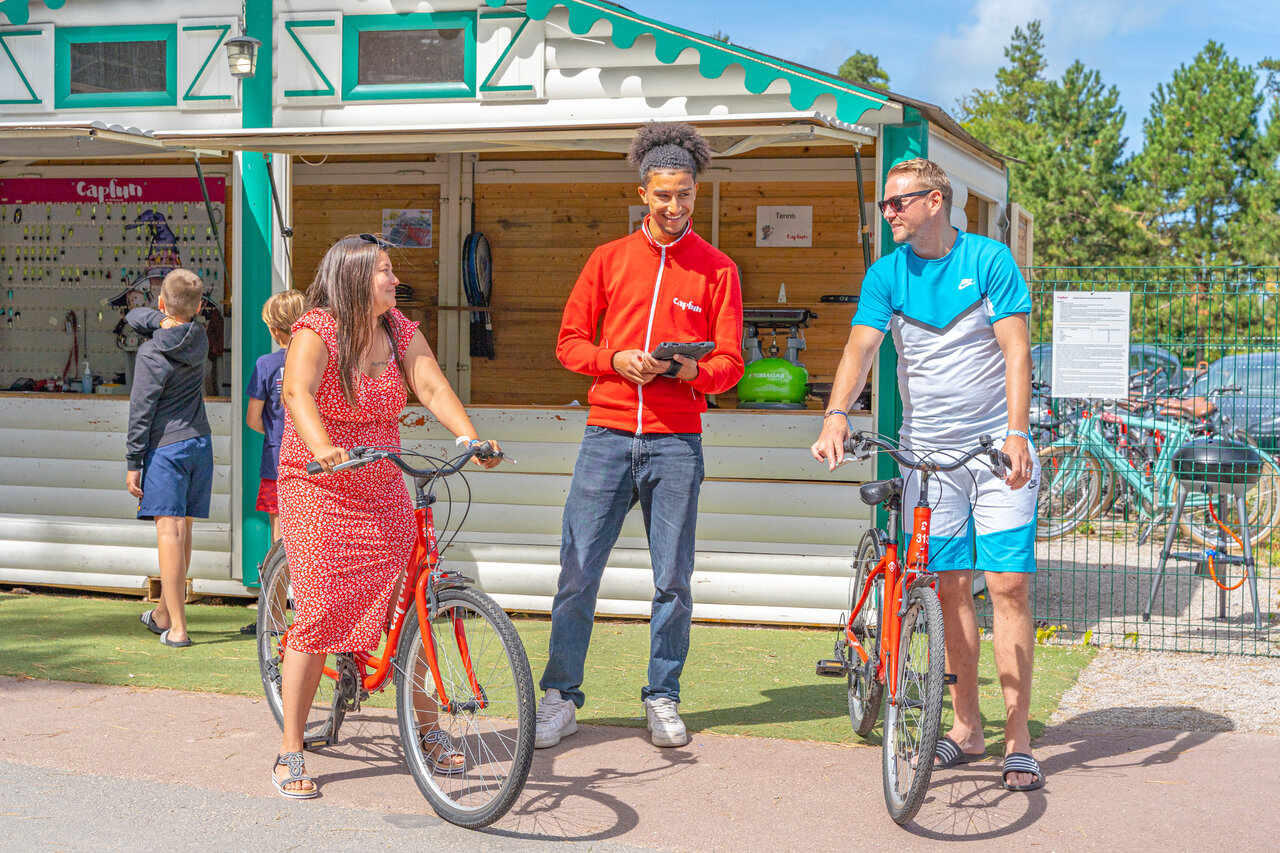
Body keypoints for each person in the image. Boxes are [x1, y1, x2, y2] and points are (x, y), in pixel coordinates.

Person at [810, 158, 1044, 793]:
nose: (887, 213)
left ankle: (1017, 740)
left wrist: (1018, 431)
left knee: (1009, 587)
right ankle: (966, 728)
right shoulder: (886, 274)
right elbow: (861, 349)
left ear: (935, 201)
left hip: (997, 449)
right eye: (885, 204)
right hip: (928, 453)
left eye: (897, 202)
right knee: (947, 589)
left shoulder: (990, 260)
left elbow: (1015, 348)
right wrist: (835, 416)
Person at [534, 122, 745, 751]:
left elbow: (730, 367)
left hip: (677, 441)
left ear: (695, 193)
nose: (674, 207)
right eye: (663, 195)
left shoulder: (719, 270)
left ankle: (662, 696)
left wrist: (685, 369)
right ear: (642, 192)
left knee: (672, 578)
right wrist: (615, 360)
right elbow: (569, 344)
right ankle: (560, 696)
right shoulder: (607, 259)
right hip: (606, 434)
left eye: (685, 195)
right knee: (577, 570)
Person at [271, 234, 502, 799]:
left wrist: (469, 436)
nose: (393, 280)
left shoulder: (397, 326)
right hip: (321, 481)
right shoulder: (316, 329)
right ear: (353, 276)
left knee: (415, 600)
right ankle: (290, 750)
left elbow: (429, 382)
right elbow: (297, 393)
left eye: (392, 270)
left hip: (382, 477)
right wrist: (323, 447)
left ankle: (426, 729)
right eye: (383, 271)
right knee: (320, 611)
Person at [126, 268, 213, 650]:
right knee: (184, 531)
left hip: (166, 447)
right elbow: (139, 317)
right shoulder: (200, 337)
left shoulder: (151, 351)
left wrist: (133, 461)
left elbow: (141, 409)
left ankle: (177, 628)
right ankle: (163, 612)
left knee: (169, 532)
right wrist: (165, 317)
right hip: (200, 444)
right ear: (198, 308)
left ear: (162, 302)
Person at [247, 289, 305, 542]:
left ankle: (282, 582)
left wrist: (272, 430)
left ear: (274, 330)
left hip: (276, 458)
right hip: (313, 458)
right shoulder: (320, 360)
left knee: (281, 536)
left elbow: (253, 419)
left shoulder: (265, 364)